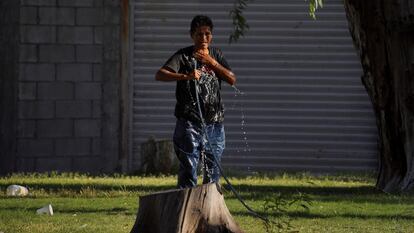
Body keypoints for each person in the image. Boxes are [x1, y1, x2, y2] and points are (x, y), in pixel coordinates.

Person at [155, 15, 236, 188]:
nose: (204, 38)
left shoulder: (216, 55)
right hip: (189, 123)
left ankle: (210, 210)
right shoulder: (183, 56)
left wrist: (212, 62)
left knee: (213, 170)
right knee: (189, 170)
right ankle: (186, 209)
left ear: (211, 36)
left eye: (207, 34)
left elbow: (232, 79)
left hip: (214, 123)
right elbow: (160, 74)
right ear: (192, 35)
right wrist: (185, 76)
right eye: (199, 34)